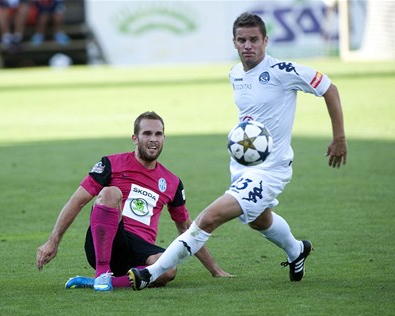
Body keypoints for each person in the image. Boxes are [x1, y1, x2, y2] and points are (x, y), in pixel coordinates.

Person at [127, 12, 347, 290]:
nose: (248, 45)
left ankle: (150, 273)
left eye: (254, 39)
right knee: (258, 219)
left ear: (266, 40)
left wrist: (339, 136)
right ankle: (296, 250)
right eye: (242, 40)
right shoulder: (235, 74)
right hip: (243, 164)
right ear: (234, 42)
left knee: (208, 218)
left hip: (270, 170)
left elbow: (329, 88)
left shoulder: (283, 71)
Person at [36, 111, 231, 291]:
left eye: (158, 134)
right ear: (135, 138)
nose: (153, 139)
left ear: (164, 138)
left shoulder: (172, 182)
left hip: (139, 251)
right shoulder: (111, 164)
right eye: (147, 133)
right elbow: (76, 201)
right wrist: (53, 241)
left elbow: (187, 229)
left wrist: (214, 269)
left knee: (169, 269)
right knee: (111, 192)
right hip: (107, 241)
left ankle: (103, 282)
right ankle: (102, 272)